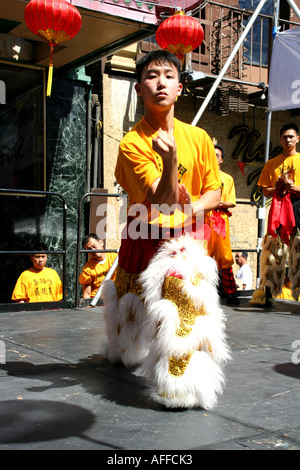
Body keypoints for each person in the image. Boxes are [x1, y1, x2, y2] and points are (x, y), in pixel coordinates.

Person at [101, 50, 231, 410]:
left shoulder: (200, 137)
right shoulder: (132, 143)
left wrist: (188, 207)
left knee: (182, 310)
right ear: (140, 88)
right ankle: (122, 350)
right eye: (152, 76)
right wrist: (170, 161)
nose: (161, 82)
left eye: (169, 75)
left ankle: (179, 385)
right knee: (129, 300)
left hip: (184, 242)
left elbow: (215, 191)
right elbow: (160, 202)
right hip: (142, 234)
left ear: (179, 87)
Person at [251, 122, 300, 304]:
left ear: (297, 138)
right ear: (280, 139)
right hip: (278, 208)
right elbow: (265, 191)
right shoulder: (271, 163)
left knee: (299, 249)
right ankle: (269, 292)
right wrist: (278, 187)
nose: (288, 140)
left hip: (298, 206)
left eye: (291, 136)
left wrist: (294, 187)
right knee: (274, 249)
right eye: (285, 137)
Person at [207, 144, 238, 305]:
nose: (214, 157)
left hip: (220, 220)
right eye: (212, 154)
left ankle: (231, 292)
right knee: (203, 255)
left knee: (225, 257)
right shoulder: (202, 176)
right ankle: (203, 293)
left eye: (217, 155)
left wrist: (220, 203)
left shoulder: (227, 178)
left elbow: (232, 203)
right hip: (204, 219)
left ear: (222, 159)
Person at [79, 233, 117, 299]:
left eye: (94, 246)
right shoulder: (88, 269)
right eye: (89, 249)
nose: (93, 250)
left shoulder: (116, 258)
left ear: (101, 242)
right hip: (97, 302)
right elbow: (86, 295)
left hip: (116, 299)